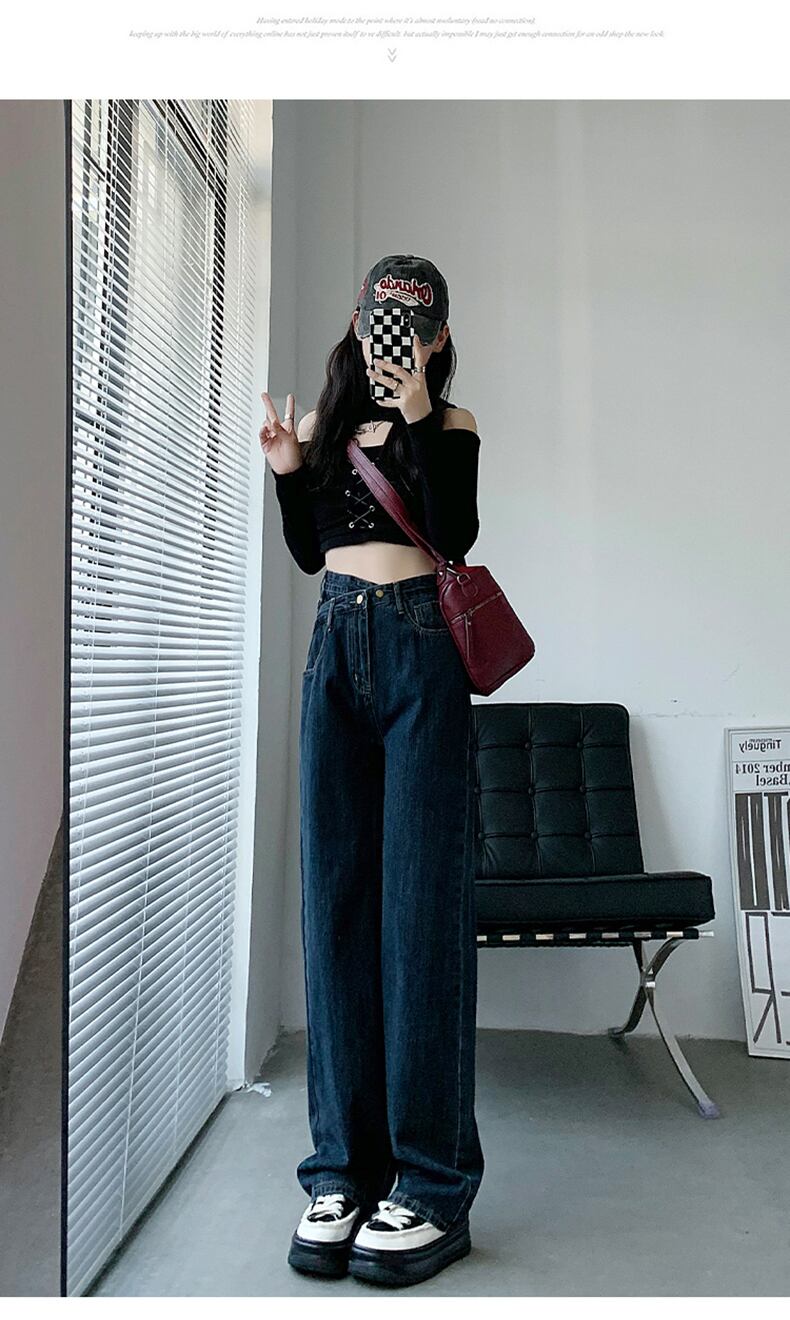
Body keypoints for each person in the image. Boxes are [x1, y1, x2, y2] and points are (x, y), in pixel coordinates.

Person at [259, 255, 484, 1288]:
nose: (395, 335)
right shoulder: (327, 429)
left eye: (414, 325)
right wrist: (284, 468)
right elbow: (312, 552)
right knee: (337, 904)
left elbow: (454, 534)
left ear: (437, 339)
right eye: (381, 318)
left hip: (420, 650)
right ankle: (342, 1173)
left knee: (421, 910)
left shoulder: (453, 424)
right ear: (358, 326)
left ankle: (431, 1188)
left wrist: (421, 413)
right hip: (334, 647)